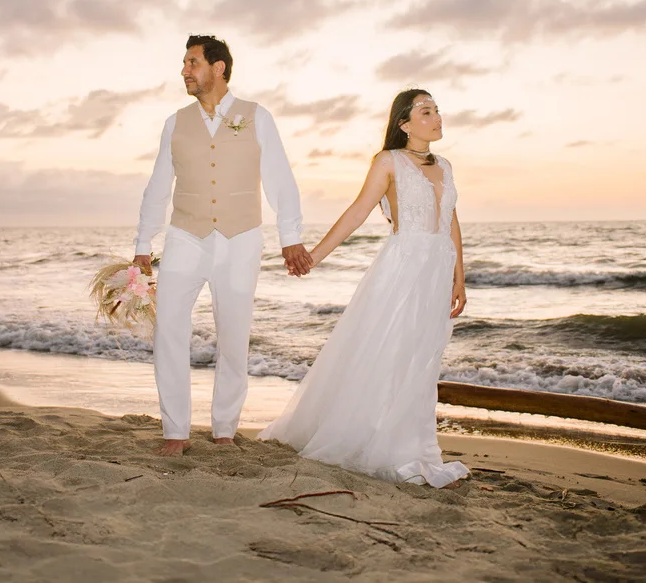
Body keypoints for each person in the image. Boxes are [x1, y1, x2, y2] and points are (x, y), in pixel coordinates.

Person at [260, 89, 469, 487]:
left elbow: (452, 221)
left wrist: (460, 275)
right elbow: (357, 212)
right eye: (427, 111)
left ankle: (421, 448)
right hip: (404, 267)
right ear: (404, 124)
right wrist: (314, 256)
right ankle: (394, 449)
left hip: (438, 270)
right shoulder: (387, 162)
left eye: (437, 110)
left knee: (423, 361)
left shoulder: (445, 165)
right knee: (393, 354)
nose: (437, 117)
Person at [134, 35, 312, 456]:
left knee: (233, 335)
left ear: (219, 68)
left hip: (241, 238)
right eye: (184, 63)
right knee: (169, 330)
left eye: (192, 63)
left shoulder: (256, 116)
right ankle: (175, 430)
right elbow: (158, 187)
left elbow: (280, 180)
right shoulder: (175, 123)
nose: (184, 71)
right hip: (185, 237)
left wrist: (291, 238)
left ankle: (224, 429)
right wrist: (144, 242)